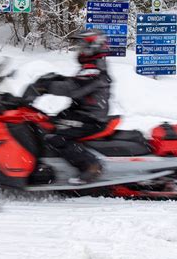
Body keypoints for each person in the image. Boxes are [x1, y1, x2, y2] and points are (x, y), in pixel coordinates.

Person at [23, 29, 112, 184]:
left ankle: (91, 165)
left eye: (83, 45)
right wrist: (54, 78)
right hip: (81, 112)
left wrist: (47, 87)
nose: (80, 49)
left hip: (91, 117)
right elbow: (76, 82)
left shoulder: (94, 69)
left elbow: (74, 88)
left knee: (56, 136)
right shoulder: (92, 67)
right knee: (43, 124)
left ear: (94, 47)